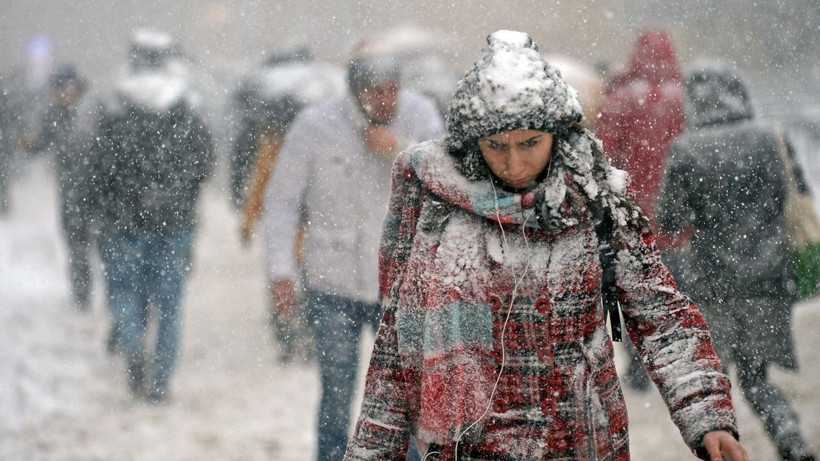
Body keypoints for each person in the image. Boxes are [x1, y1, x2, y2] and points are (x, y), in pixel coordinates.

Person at [344, 30, 748, 461]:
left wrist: (709, 417)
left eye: (530, 143)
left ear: (556, 135)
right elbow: (396, 347)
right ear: (472, 143)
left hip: (577, 441)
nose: (514, 163)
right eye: (497, 146)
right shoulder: (437, 208)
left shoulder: (595, 201)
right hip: (469, 448)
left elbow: (662, 316)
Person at [261, 41, 445, 461]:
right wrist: (280, 271)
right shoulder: (314, 125)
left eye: (392, 90)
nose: (386, 100)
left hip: (400, 285)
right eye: (375, 92)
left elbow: (446, 180)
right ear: (355, 93)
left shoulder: (420, 115)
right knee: (336, 391)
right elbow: (282, 201)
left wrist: (400, 150)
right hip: (332, 283)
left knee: (406, 395)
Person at [656, 61, 817, 461]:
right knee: (755, 375)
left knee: (712, 381)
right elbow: (791, 193)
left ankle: (719, 450)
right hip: (768, 278)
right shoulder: (768, 137)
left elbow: (671, 219)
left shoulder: (686, 149)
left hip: (715, 281)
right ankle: (792, 442)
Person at [92, 29, 215, 403]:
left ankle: (131, 345)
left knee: (123, 293)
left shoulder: (113, 103)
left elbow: (97, 167)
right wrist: (180, 193)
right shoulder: (186, 103)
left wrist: (104, 205)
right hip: (173, 221)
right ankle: (160, 384)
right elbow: (205, 162)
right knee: (170, 307)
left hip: (123, 221)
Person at [237, 51, 345, 363]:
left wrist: (247, 219)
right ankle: (311, 337)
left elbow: (260, 181)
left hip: (289, 224)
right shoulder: (324, 136)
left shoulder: (272, 139)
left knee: (282, 277)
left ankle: (287, 337)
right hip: (317, 224)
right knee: (313, 282)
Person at [596, 29, 688, 391]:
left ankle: (638, 366)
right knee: (672, 291)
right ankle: (673, 361)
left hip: (633, 214)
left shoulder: (619, 99)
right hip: (675, 216)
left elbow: (602, 154)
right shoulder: (685, 99)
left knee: (636, 291)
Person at [21, 64, 95, 310]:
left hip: (97, 188)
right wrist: (28, 144)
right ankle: (81, 291)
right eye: (62, 88)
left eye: (70, 88)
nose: (66, 93)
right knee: (75, 242)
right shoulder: (53, 115)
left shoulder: (91, 112)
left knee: (99, 243)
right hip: (70, 189)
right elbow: (39, 143)